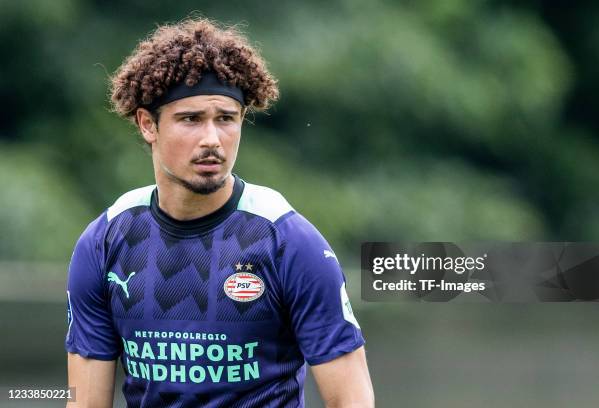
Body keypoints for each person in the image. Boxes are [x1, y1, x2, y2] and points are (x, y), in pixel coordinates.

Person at [65, 17, 373, 408]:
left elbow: (351, 400)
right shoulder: (105, 241)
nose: (212, 139)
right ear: (148, 124)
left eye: (226, 119)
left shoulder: (289, 242)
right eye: (190, 119)